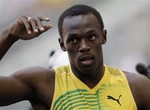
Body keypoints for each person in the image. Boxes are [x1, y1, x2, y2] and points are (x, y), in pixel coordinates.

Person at [0, 4, 150, 110]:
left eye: (91, 37)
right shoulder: (45, 83)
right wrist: (9, 35)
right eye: (73, 40)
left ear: (103, 37)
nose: (84, 46)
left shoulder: (136, 87)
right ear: (62, 44)